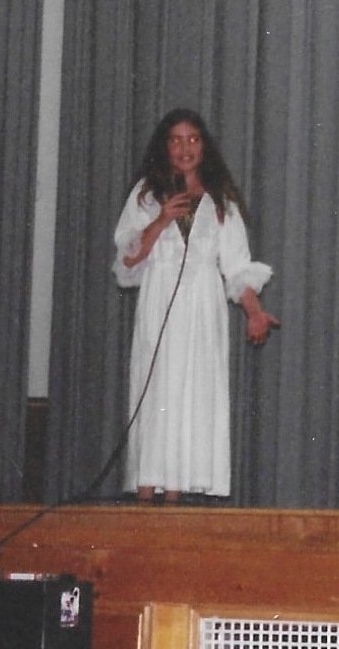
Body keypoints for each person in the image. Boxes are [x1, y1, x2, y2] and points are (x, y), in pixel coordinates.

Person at [113, 108, 279, 504]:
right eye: (175, 140)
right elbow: (126, 262)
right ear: (164, 147)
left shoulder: (222, 204)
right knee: (156, 393)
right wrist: (159, 222)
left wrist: (254, 311)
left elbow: (236, 267)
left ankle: (175, 497)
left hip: (202, 310)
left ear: (204, 146)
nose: (185, 148)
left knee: (192, 397)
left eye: (193, 139)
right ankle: (145, 493)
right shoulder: (146, 196)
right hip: (160, 301)